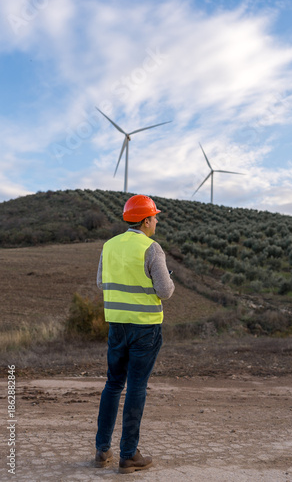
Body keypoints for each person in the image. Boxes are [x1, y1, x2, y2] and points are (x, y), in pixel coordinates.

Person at [94, 194, 175, 474]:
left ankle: (102, 449)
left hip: (117, 325)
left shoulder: (109, 246)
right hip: (145, 328)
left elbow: (100, 282)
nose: (156, 222)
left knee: (113, 384)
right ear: (145, 220)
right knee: (136, 387)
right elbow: (165, 291)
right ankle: (129, 455)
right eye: (154, 217)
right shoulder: (151, 248)